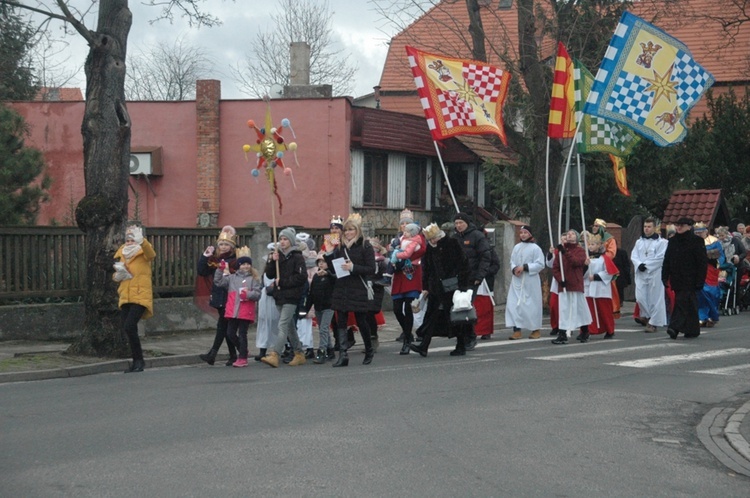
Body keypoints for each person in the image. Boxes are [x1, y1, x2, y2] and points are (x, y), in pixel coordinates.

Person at [409, 223, 471, 357]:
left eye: (434, 239)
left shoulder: (452, 244)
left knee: (454, 317)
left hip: (452, 288)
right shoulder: (430, 249)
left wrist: (462, 286)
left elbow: (463, 264)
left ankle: (461, 344)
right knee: (431, 317)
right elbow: (427, 270)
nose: (432, 241)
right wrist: (425, 288)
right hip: (436, 289)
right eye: (430, 240)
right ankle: (424, 346)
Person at [325, 214, 377, 367]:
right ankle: (343, 354)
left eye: (351, 230)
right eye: (346, 230)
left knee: (361, 321)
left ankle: (369, 349)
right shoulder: (340, 246)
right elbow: (333, 266)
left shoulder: (365, 246)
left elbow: (371, 268)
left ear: (357, 230)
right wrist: (329, 253)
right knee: (340, 320)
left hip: (358, 287)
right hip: (342, 286)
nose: (348, 233)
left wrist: (353, 267)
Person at [260, 227, 309, 368]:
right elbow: (269, 275)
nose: (282, 242)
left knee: (282, 324)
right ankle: (299, 353)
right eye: (280, 239)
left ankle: (275, 353)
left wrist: (283, 282)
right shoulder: (278, 256)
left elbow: (301, 277)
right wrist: (271, 261)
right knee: (289, 326)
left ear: (291, 241)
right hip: (280, 295)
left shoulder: (297, 257)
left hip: (292, 296)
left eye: (285, 239)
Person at [114, 224, 155, 373]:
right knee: (127, 328)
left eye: (132, 240)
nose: (130, 242)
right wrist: (117, 276)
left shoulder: (143, 251)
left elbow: (151, 254)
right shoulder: (122, 253)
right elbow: (119, 272)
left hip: (140, 295)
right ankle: (135, 360)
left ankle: (139, 360)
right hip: (126, 295)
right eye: (128, 240)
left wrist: (142, 241)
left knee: (130, 326)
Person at [213, 247, 262, 367]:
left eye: (247, 264)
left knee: (242, 334)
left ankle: (242, 357)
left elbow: (257, 294)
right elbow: (218, 282)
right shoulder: (232, 278)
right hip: (232, 310)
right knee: (230, 333)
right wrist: (220, 269)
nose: (245, 266)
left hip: (245, 311)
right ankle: (242, 349)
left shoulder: (253, 279)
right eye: (243, 264)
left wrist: (248, 294)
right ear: (239, 265)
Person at [197, 226, 238, 366]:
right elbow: (202, 271)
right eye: (221, 244)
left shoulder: (235, 260)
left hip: (231, 296)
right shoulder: (215, 260)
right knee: (225, 327)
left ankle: (213, 353)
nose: (224, 247)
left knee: (223, 325)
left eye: (227, 244)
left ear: (231, 246)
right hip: (219, 295)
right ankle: (234, 354)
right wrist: (205, 256)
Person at [662, 217, 708, 339]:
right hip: (676, 278)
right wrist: (664, 276)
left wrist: (700, 280)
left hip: (691, 278)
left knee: (682, 302)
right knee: (690, 303)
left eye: (682, 225)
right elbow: (667, 260)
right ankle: (692, 330)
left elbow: (702, 263)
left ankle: (674, 327)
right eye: (677, 225)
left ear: (689, 226)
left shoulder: (697, 241)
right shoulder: (672, 241)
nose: (679, 227)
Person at [388, 213, 427, 355]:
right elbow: (391, 252)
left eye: (407, 224)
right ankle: (407, 332)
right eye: (402, 223)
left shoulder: (418, 239)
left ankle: (407, 342)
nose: (404, 226)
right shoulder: (398, 239)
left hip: (411, 275)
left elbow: (421, 250)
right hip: (399, 275)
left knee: (408, 308)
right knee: (397, 308)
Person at [452, 212, 491, 349]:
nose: (458, 226)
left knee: (467, 306)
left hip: (472, 278)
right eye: (456, 223)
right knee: (458, 307)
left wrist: (479, 276)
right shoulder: (454, 238)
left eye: (461, 223)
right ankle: (462, 336)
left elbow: (485, 258)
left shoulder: (477, 236)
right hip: (458, 279)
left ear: (467, 223)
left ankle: (471, 336)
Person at [551, 229, 592, 344]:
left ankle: (584, 331)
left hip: (575, 284)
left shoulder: (580, 251)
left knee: (579, 309)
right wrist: (560, 279)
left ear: (577, 237)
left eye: (572, 233)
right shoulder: (559, 252)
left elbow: (576, 262)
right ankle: (562, 334)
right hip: (564, 285)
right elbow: (555, 268)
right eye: (568, 233)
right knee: (564, 309)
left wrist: (564, 252)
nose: (569, 234)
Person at [506, 225, 545, 340]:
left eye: (525, 232)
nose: (523, 234)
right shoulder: (517, 247)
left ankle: (535, 329)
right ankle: (516, 329)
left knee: (532, 305)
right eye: (521, 232)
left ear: (530, 234)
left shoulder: (535, 248)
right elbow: (512, 261)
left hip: (530, 281)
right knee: (513, 304)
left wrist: (525, 267)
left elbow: (540, 264)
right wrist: (514, 269)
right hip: (517, 280)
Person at [631, 217, 668, 333]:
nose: (646, 229)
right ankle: (648, 316)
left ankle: (654, 322)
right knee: (640, 297)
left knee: (655, 298)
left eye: (649, 227)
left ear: (654, 228)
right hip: (641, 273)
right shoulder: (639, 242)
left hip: (655, 272)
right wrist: (639, 264)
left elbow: (661, 257)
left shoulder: (662, 242)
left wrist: (646, 265)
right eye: (645, 227)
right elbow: (634, 255)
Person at [583, 232, 618, 338]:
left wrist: (596, 277)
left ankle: (609, 330)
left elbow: (610, 272)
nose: (590, 246)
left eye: (593, 244)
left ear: (599, 246)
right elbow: (580, 272)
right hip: (588, 287)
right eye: (589, 244)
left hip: (601, 289)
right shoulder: (586, 258)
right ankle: (588, 330)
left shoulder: (604, 258)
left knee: (604, 311)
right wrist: (585, 266)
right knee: (588, 311)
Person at [305, 252, 335, 364]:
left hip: (328, 306)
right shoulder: (316, 277)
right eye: (320, 262)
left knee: (323, 328)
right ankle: (330, 350)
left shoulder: (331, 275)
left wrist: (328, 274)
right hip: (318, 306)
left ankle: (322, 351)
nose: (321, 264)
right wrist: (306, 308)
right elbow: (311, 293)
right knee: (323, 329)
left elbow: (336, 281)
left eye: (324, 262)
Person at [695, 222, 724, 328]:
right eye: (696, 232)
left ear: (706, 231)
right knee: (700, 294)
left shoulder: (714, 242)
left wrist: (715, 261)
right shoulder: (693, 242)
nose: (698, 234)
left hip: (711, 270)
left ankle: (712, 316)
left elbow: (721, 257)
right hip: (698, 270)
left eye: (700, 232)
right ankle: (702, 317)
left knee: (712, 294)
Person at [591, 218, 621, 317]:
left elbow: (611, 253)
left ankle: (612, 309)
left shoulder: (609, 239)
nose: (594, 228)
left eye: (597, 226)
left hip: (603, 265)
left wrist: (599, 256)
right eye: (594, 226)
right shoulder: (590, 237)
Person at [254, 243, 280, 361]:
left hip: (275, 298)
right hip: (265, 299)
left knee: (276, 323)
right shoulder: (266, 272)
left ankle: (279, 348)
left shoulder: (280, 270)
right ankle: (262, 349)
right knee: (264, 324)